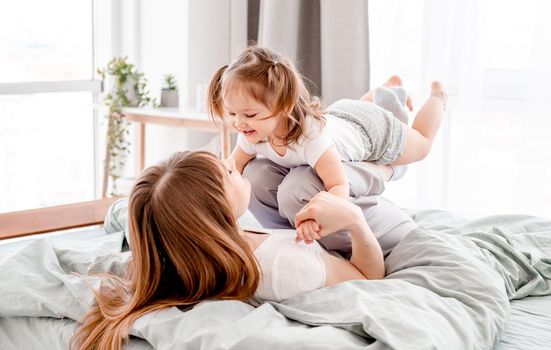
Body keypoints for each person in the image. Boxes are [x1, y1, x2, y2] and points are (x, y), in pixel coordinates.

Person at [72, 151, 385, 350]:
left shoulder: (186, 251)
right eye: (226, 173)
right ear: (214, 212)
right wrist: (355, 221)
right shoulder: (284, 265)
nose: (232, 163)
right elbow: (368, 278)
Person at [207, 46, 447, 237]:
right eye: (231, 113)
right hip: (339, 117)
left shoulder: (310, 140)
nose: (238, 123)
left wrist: (318, 215)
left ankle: (437, 98)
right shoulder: (252, 133)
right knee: (359, 109)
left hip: (370, 130)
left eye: (249, 115)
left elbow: (338, 186)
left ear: (284, 107)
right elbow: (231, 170)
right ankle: (382, 92)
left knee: (423, 144)